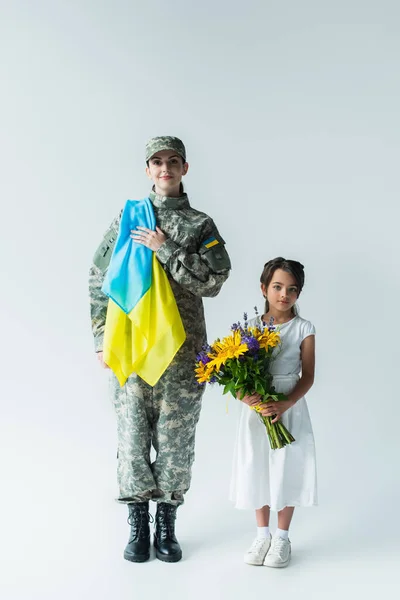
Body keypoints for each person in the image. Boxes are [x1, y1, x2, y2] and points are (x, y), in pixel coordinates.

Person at [89, 136, 231, 563]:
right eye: (156, 161)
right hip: (132, 347)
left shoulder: (200, 224)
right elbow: (99, 278)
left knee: (175, 441)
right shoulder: (128, 218)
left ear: (185, 168)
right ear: (147, 169)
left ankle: (166, 525)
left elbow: (213, 282)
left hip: (183, 354)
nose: (165, 168)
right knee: (132, 438)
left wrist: (164, 247)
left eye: (173, 161)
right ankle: (137, 524)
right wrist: (100, 338)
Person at [230, 257, 317, 568]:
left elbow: (307, 376)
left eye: (292, 289)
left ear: (299, 293)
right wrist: (252, 401)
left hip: (288, 407)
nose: (284, 294)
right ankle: (261, 534)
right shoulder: (249, 329)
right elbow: (234, 375)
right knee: (259, 466)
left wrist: (284, 403)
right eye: (278, 287)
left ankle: (282, 538)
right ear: (264, 288)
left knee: (287, 466)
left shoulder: (304, 328)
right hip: (257, 410)